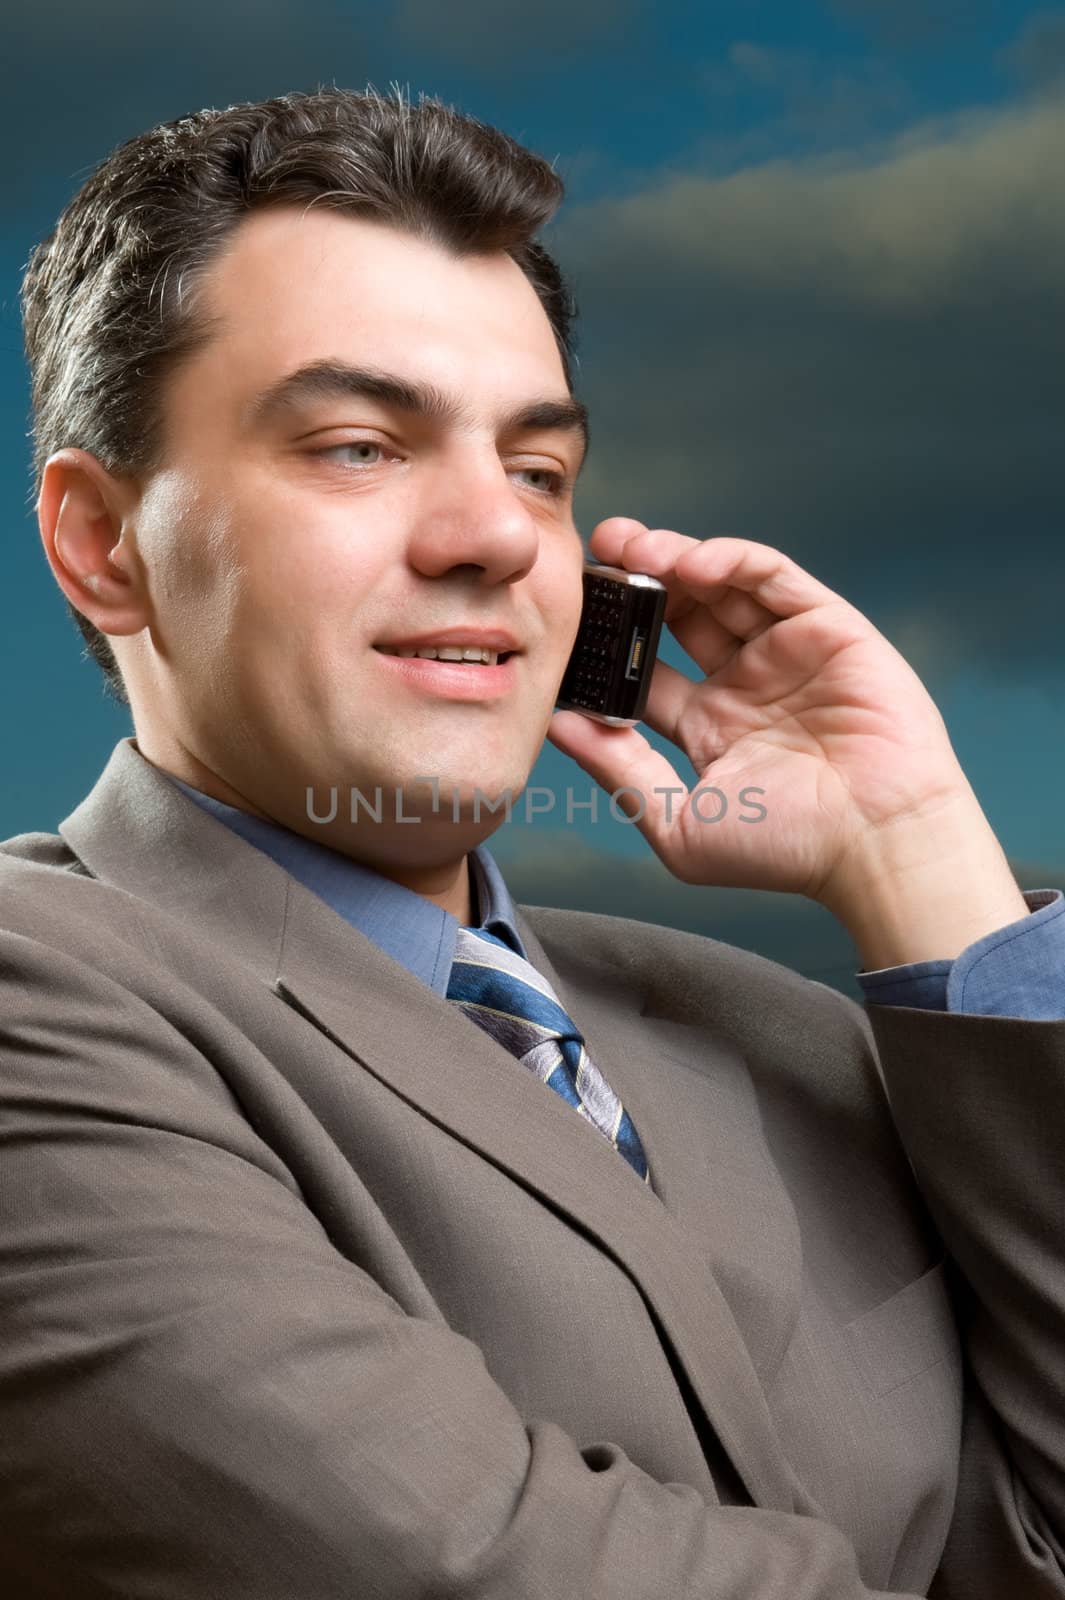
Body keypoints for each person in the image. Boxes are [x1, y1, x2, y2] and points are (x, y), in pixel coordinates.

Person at [2, 83, 1063, 1599]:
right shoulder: (39, 999)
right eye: (361, 446)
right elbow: (469, 1570)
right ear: (103, 546)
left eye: (538, 470)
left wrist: (914, 853)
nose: (492, 533)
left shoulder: (785, 1032)